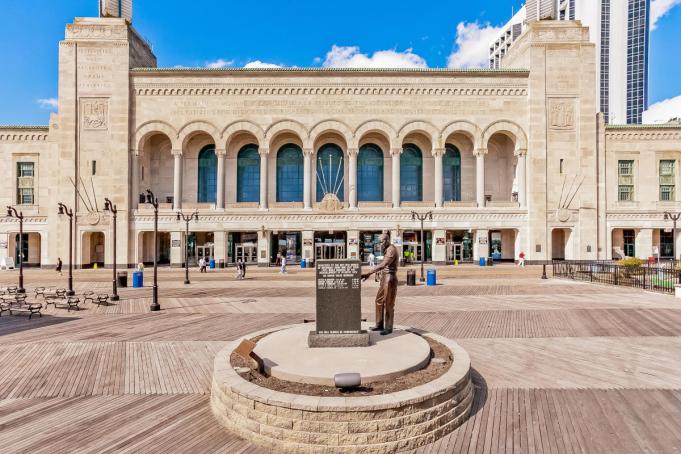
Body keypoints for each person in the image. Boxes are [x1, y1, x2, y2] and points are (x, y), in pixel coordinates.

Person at [361, 233, 398, 336]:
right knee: (379, 301)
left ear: (386, 240)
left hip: (390, 278)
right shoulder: (386, 249)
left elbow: (384, 264)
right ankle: (379, 324)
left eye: (381, 241)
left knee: (389, 304)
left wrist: (369, 273)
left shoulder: (391, 250)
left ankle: (388, 327)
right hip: (384, 278)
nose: (380, 244)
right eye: (379, 242)